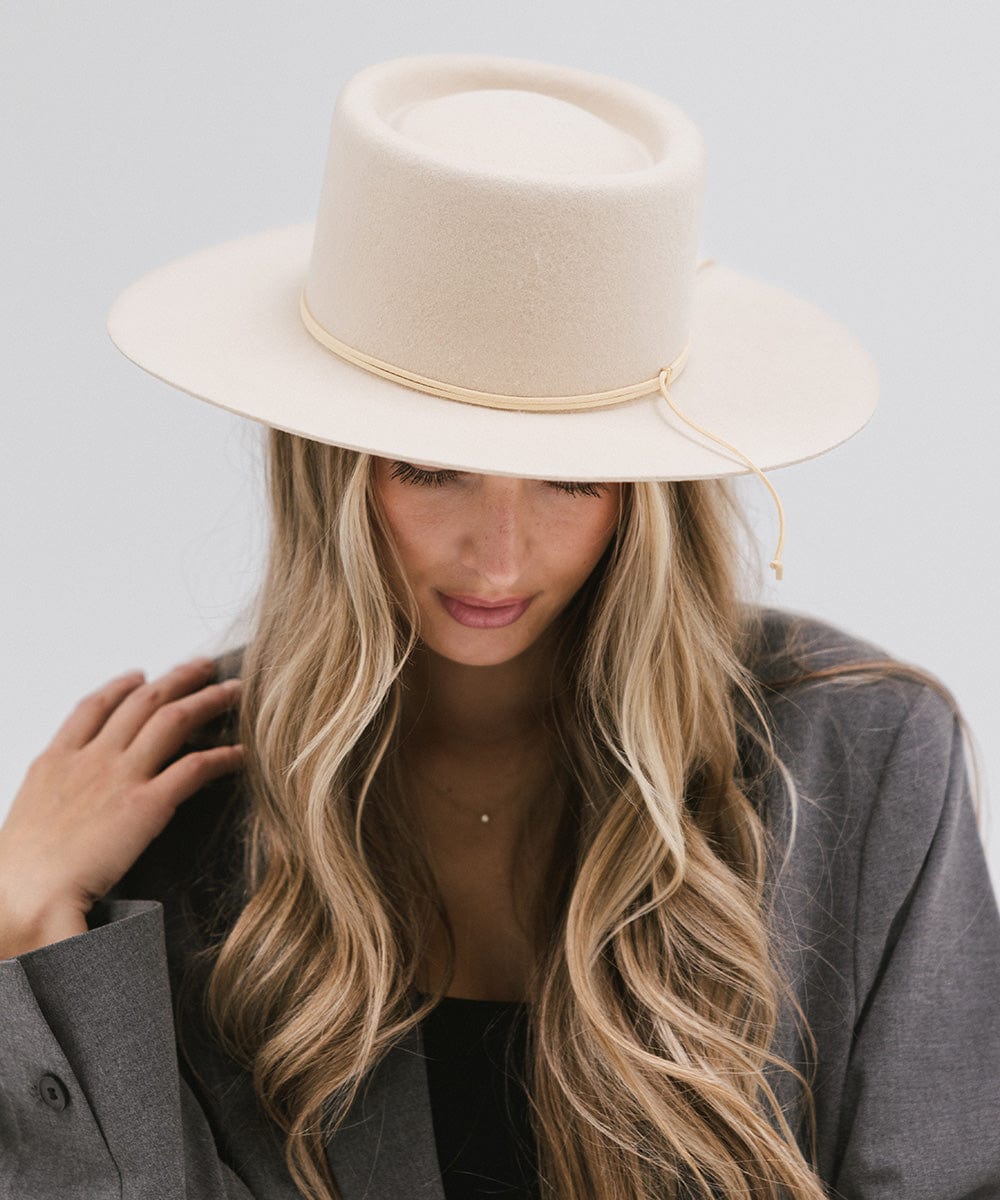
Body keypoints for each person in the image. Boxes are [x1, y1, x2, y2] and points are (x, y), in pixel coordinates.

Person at [1, 52, 998, 1200]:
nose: (500, 556)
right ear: (328, 472)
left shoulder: (864, 761)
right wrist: (29, 924)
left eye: (572, 479)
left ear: (649, 495)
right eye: (430, 470)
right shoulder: (185, 807)